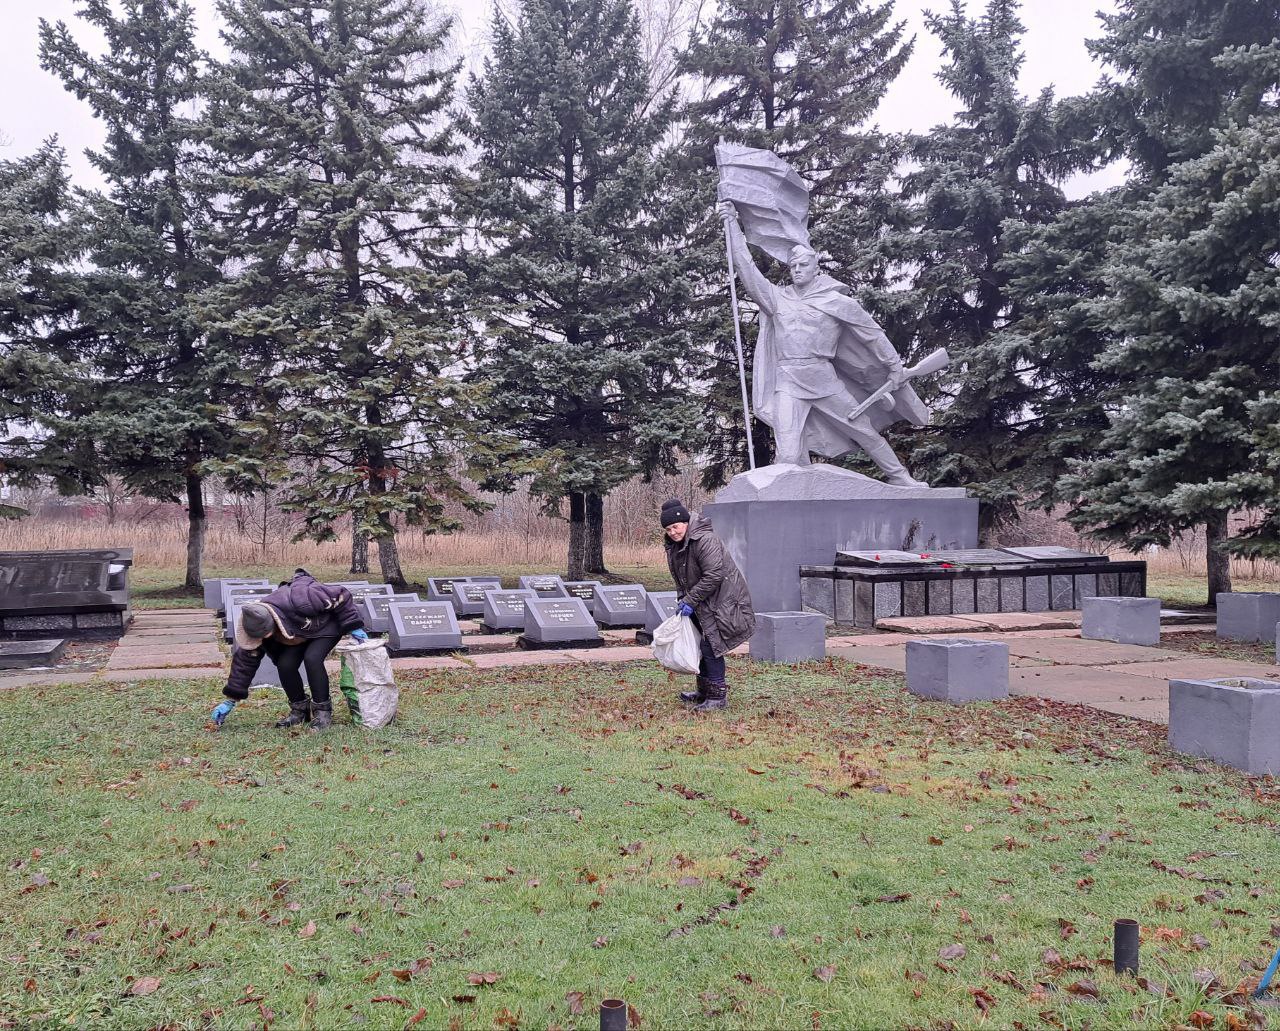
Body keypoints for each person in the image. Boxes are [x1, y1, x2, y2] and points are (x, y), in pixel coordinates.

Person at [718, 199, 929, 486]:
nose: (797, 269)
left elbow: (873, 334)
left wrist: (894, 368)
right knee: (789, 456)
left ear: (816, 267)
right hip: (789, 381)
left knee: (864, 431)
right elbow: (747, 269)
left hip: (824, 379)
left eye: (804, 264)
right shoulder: (778, 298)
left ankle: (901, 477)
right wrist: (731, 223)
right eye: (793, 265)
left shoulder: (837, 301)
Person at [212, 569, 367, 731]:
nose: (262, 640)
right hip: (297, 632)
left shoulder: (302, 598)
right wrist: (230, 699)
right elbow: (244, 662)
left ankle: (322, 712)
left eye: (265, 635)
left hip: (326, 626)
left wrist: (353, 625)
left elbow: (341, 595)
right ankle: (299, 711)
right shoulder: (253, 623)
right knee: (285, 664)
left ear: (273, 624)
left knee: (312, 658)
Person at [661, 498, 755, 711]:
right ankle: (704, 691)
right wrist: (683, 601)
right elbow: (682, 578)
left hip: (721, 602)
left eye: (675, 526)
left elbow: (714, 575)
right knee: (701, 645)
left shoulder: (705, 539)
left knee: (711, 646)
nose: (673, 532)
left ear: (685, 522)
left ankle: (717, 697)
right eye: (668, 529)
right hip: (701, 602)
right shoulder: (675, 546)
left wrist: (690, 600)